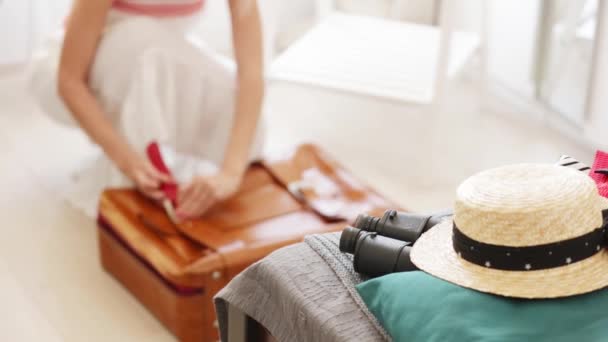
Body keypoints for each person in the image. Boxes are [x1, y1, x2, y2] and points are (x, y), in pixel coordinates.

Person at [53, 0, 265, 220]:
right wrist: (128, 162)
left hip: (160, 54)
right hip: (91, 67)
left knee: (246, 121)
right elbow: (69, 81)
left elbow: (251, 76)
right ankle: (131, 159)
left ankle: (152, 162)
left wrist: (230, 172)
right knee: (140, 39)